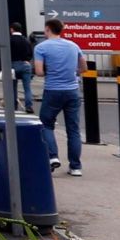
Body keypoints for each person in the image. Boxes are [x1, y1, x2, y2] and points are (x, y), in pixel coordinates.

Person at [35, 18, 85, 177]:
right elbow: (83, 67)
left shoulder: (41, 47)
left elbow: (39, 72)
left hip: (53, 90)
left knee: (46, 124)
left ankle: (52, 156)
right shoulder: (73, 45)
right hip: (72, 91)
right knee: (73, 129)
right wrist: (72, 73)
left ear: (48, 29)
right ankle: (76, 166)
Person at [8, 22, 36, 112]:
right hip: (25, 65)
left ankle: (13, 106)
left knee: (12, 87)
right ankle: (29, 106)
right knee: (27, 88)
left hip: (12, 64)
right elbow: (30, 53)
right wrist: (27, 60)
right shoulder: (26, 40)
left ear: (12, 29)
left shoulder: (9, 40)